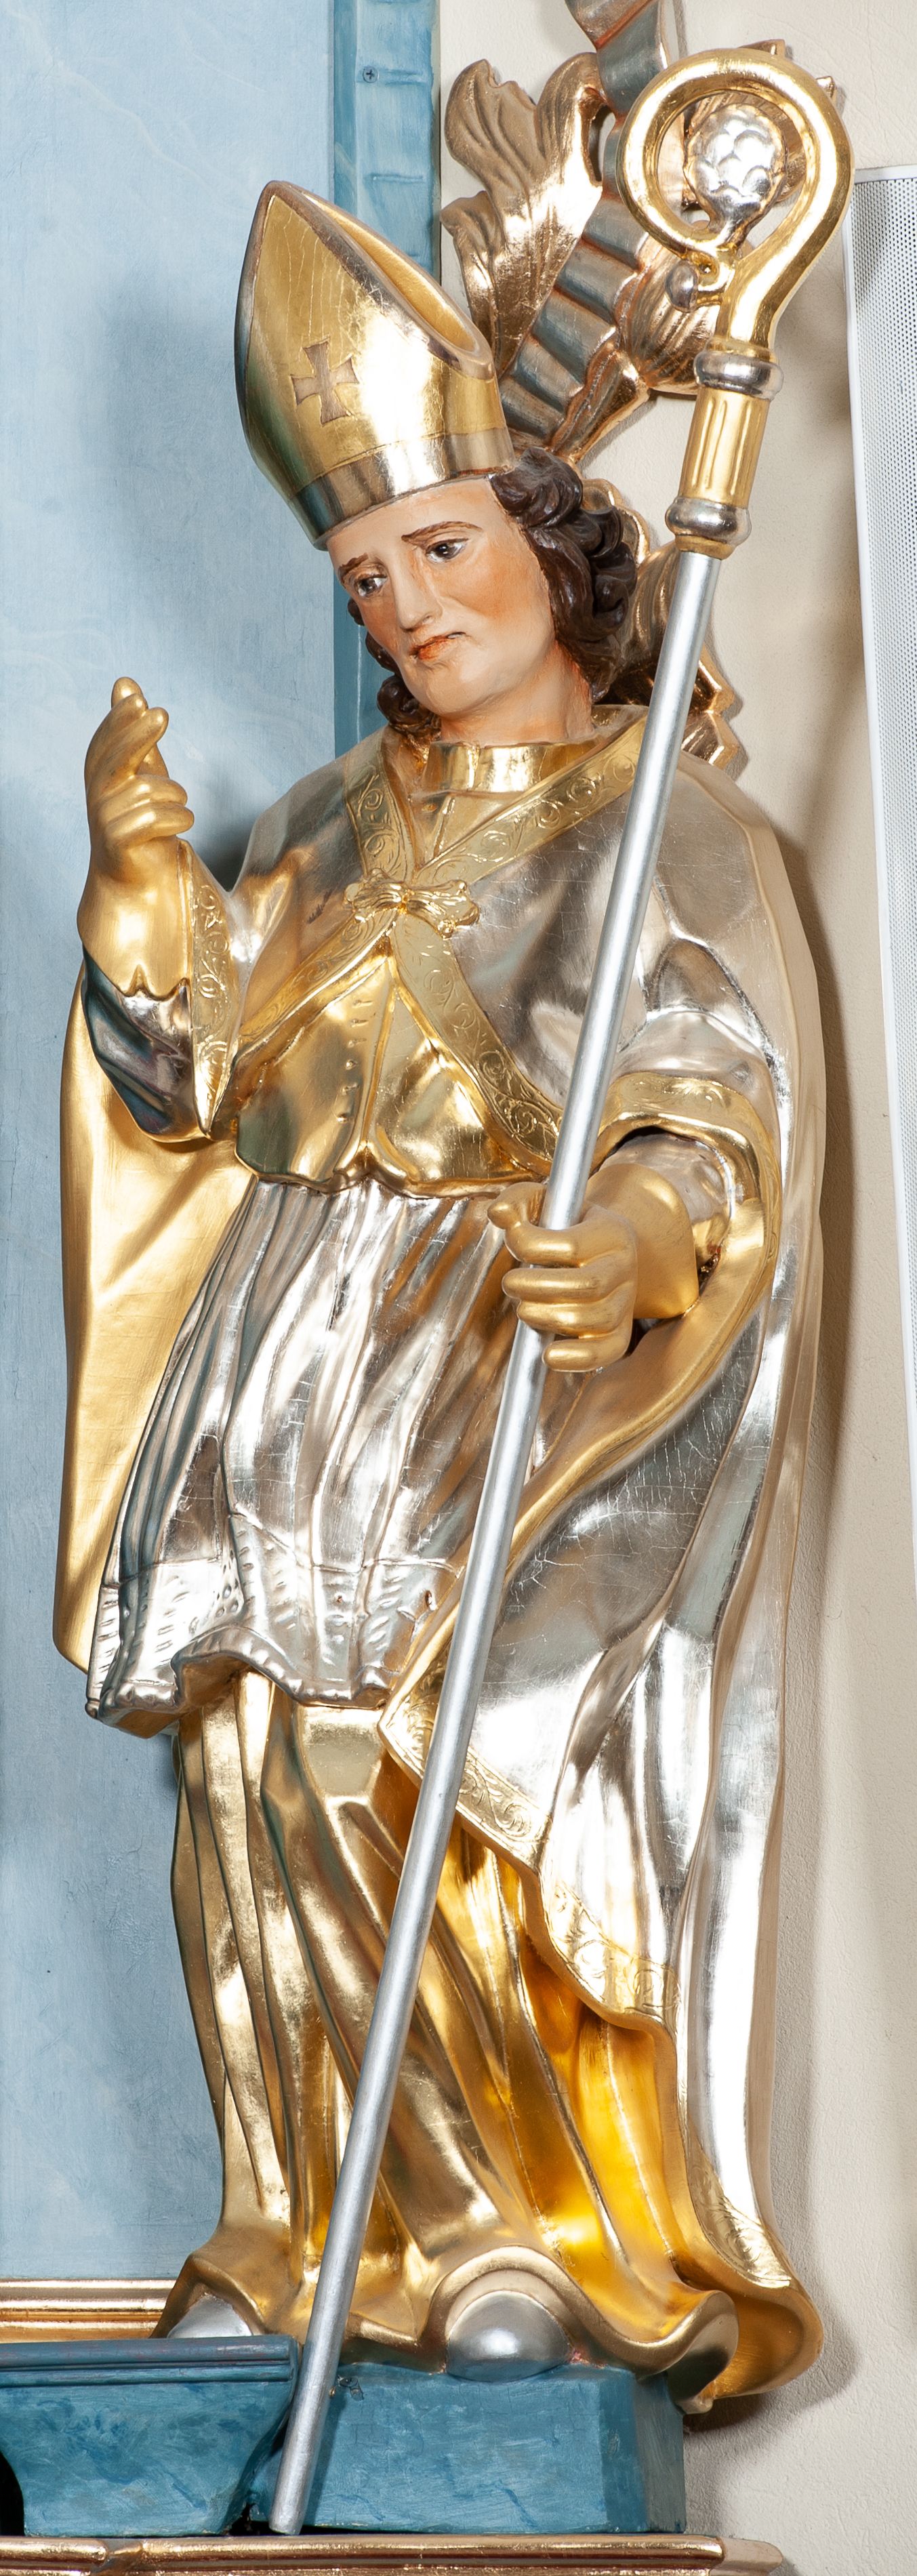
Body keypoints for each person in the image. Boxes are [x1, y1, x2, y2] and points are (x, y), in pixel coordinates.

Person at [55, 183, 822, 2403]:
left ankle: (500, 2220)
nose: (405, 604)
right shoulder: (313, 824)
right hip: (288, 1338)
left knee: (412, 1746)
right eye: (364, 577)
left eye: (442, 548)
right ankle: (301, 2217)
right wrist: (143, 898)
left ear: (558, 553)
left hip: (496, 1338)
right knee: (249, 1771)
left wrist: (649, 1237)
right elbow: (195, 1087)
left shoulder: (664, 822)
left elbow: (711, 1100)